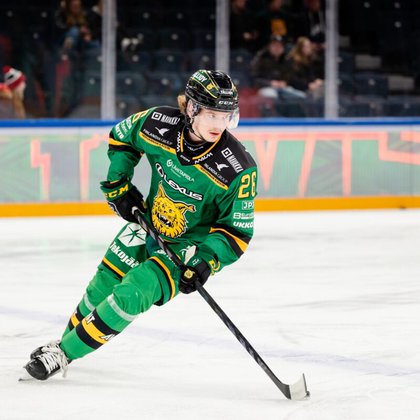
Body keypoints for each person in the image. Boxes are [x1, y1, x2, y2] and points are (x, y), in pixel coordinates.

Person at [23, 70, 258, 381]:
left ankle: (63, 353)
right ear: (191, 108)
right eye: (212, 114)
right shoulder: (158, 123)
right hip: (147, 224)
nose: (220, 124)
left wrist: (206, 261)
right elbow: (122, 138)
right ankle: (63, 344)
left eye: (226, 116)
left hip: (186, 249)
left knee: (132, 294)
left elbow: (236, 231)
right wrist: (118, 185)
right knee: (100, 287)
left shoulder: (238, 169)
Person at [250, 35, 306, 100]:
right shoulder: (260, 59)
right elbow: (254, 80)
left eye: (280, 46)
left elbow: (291, 76)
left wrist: (285, 82)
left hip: (282, 88)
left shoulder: (286, 59)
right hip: (266, 88)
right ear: (269, 47)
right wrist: (270, 83)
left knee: (301, 96)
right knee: (271, 95)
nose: (277, 48)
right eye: (274, 45)